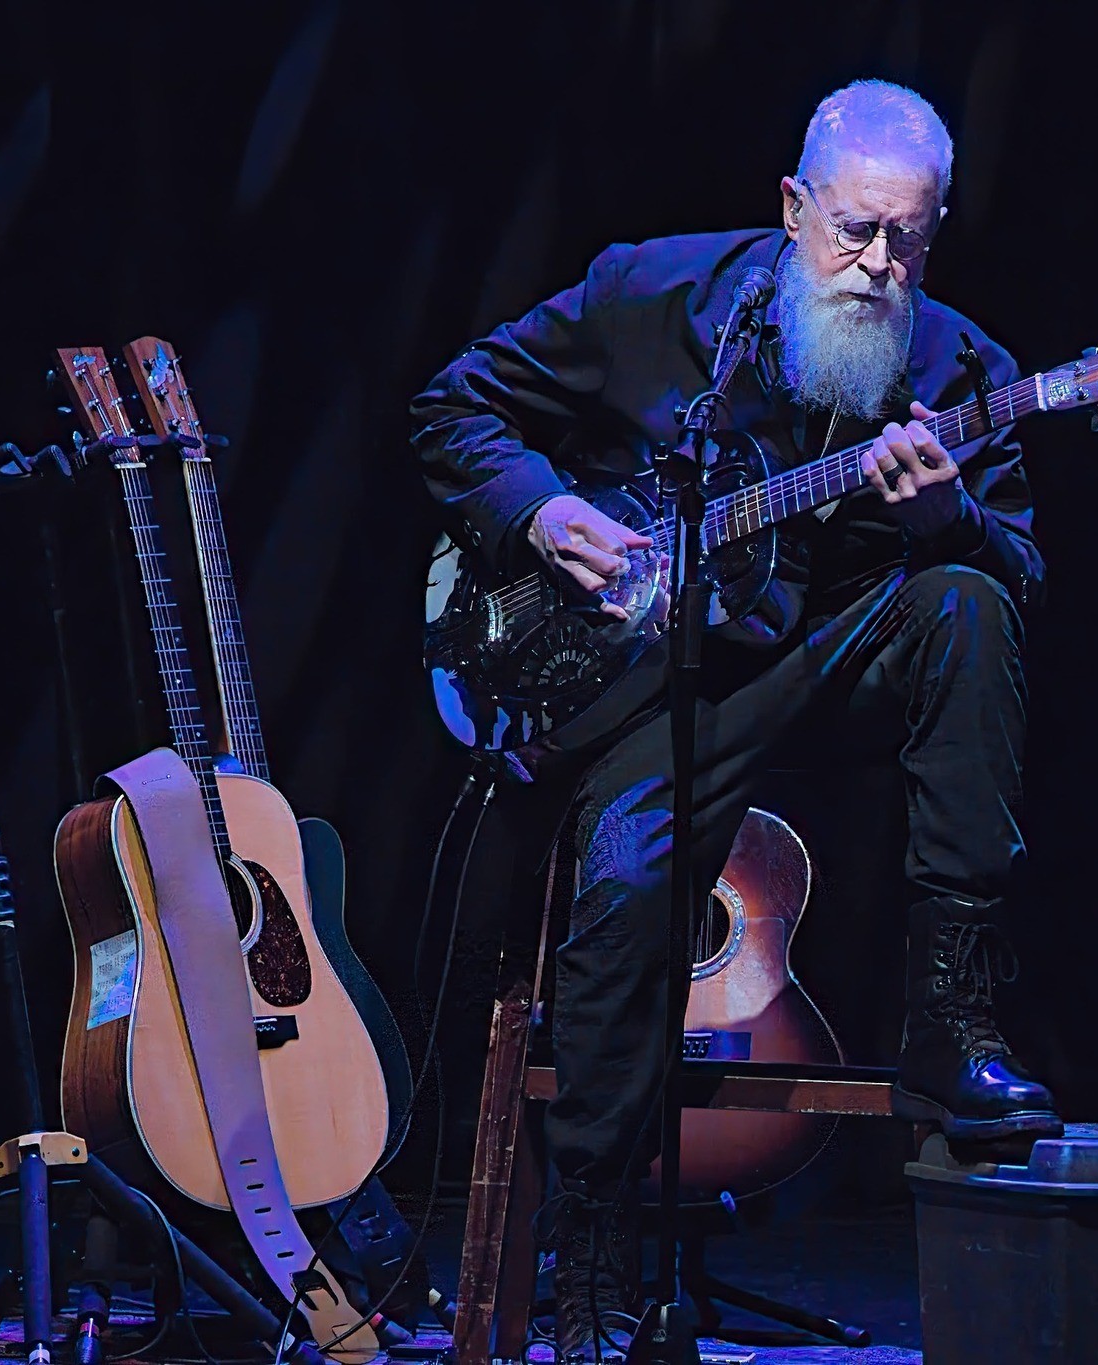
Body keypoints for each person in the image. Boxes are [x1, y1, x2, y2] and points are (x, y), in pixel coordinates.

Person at [414, 79, 1058, 1359]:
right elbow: (455, 409)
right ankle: (590, 1258)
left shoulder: (959, 368)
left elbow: (1020, 576)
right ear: (791, 206)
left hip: (840, 659)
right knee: (628, 879)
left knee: (967, 608)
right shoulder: (651, 292)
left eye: (907, 241)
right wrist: (543, 515)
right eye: (852, 232)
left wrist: (951, 520)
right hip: (661, 682)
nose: (878, 266)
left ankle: (950, 1019)